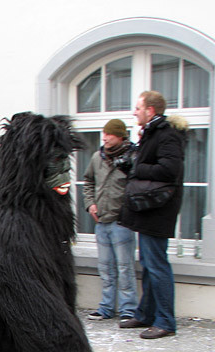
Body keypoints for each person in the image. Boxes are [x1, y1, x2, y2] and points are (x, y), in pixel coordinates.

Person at [118, 90, 187, 339]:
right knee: (148, 265)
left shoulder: (167, 134)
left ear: (151, 110)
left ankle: (166, 321)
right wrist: (130, 164)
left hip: (158, 209)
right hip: (148, 208)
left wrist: (137, 167)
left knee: (157, 266)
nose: (134, 112)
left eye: (137, 108)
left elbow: (170, 170)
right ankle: (146, 314)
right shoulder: (151, 133)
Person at [82, 119, 138, 323]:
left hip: (122, 223)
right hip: (101, 221)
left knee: (125, 267)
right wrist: (90, 204)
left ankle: (128, 309)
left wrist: (127, 211)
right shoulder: (98, 157)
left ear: (121, 136)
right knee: (105, 267)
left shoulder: (131, 158)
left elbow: (136, 188)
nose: (104, 137)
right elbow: (88, 181)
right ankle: (106, 307)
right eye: (104, 134)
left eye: (110, 134)